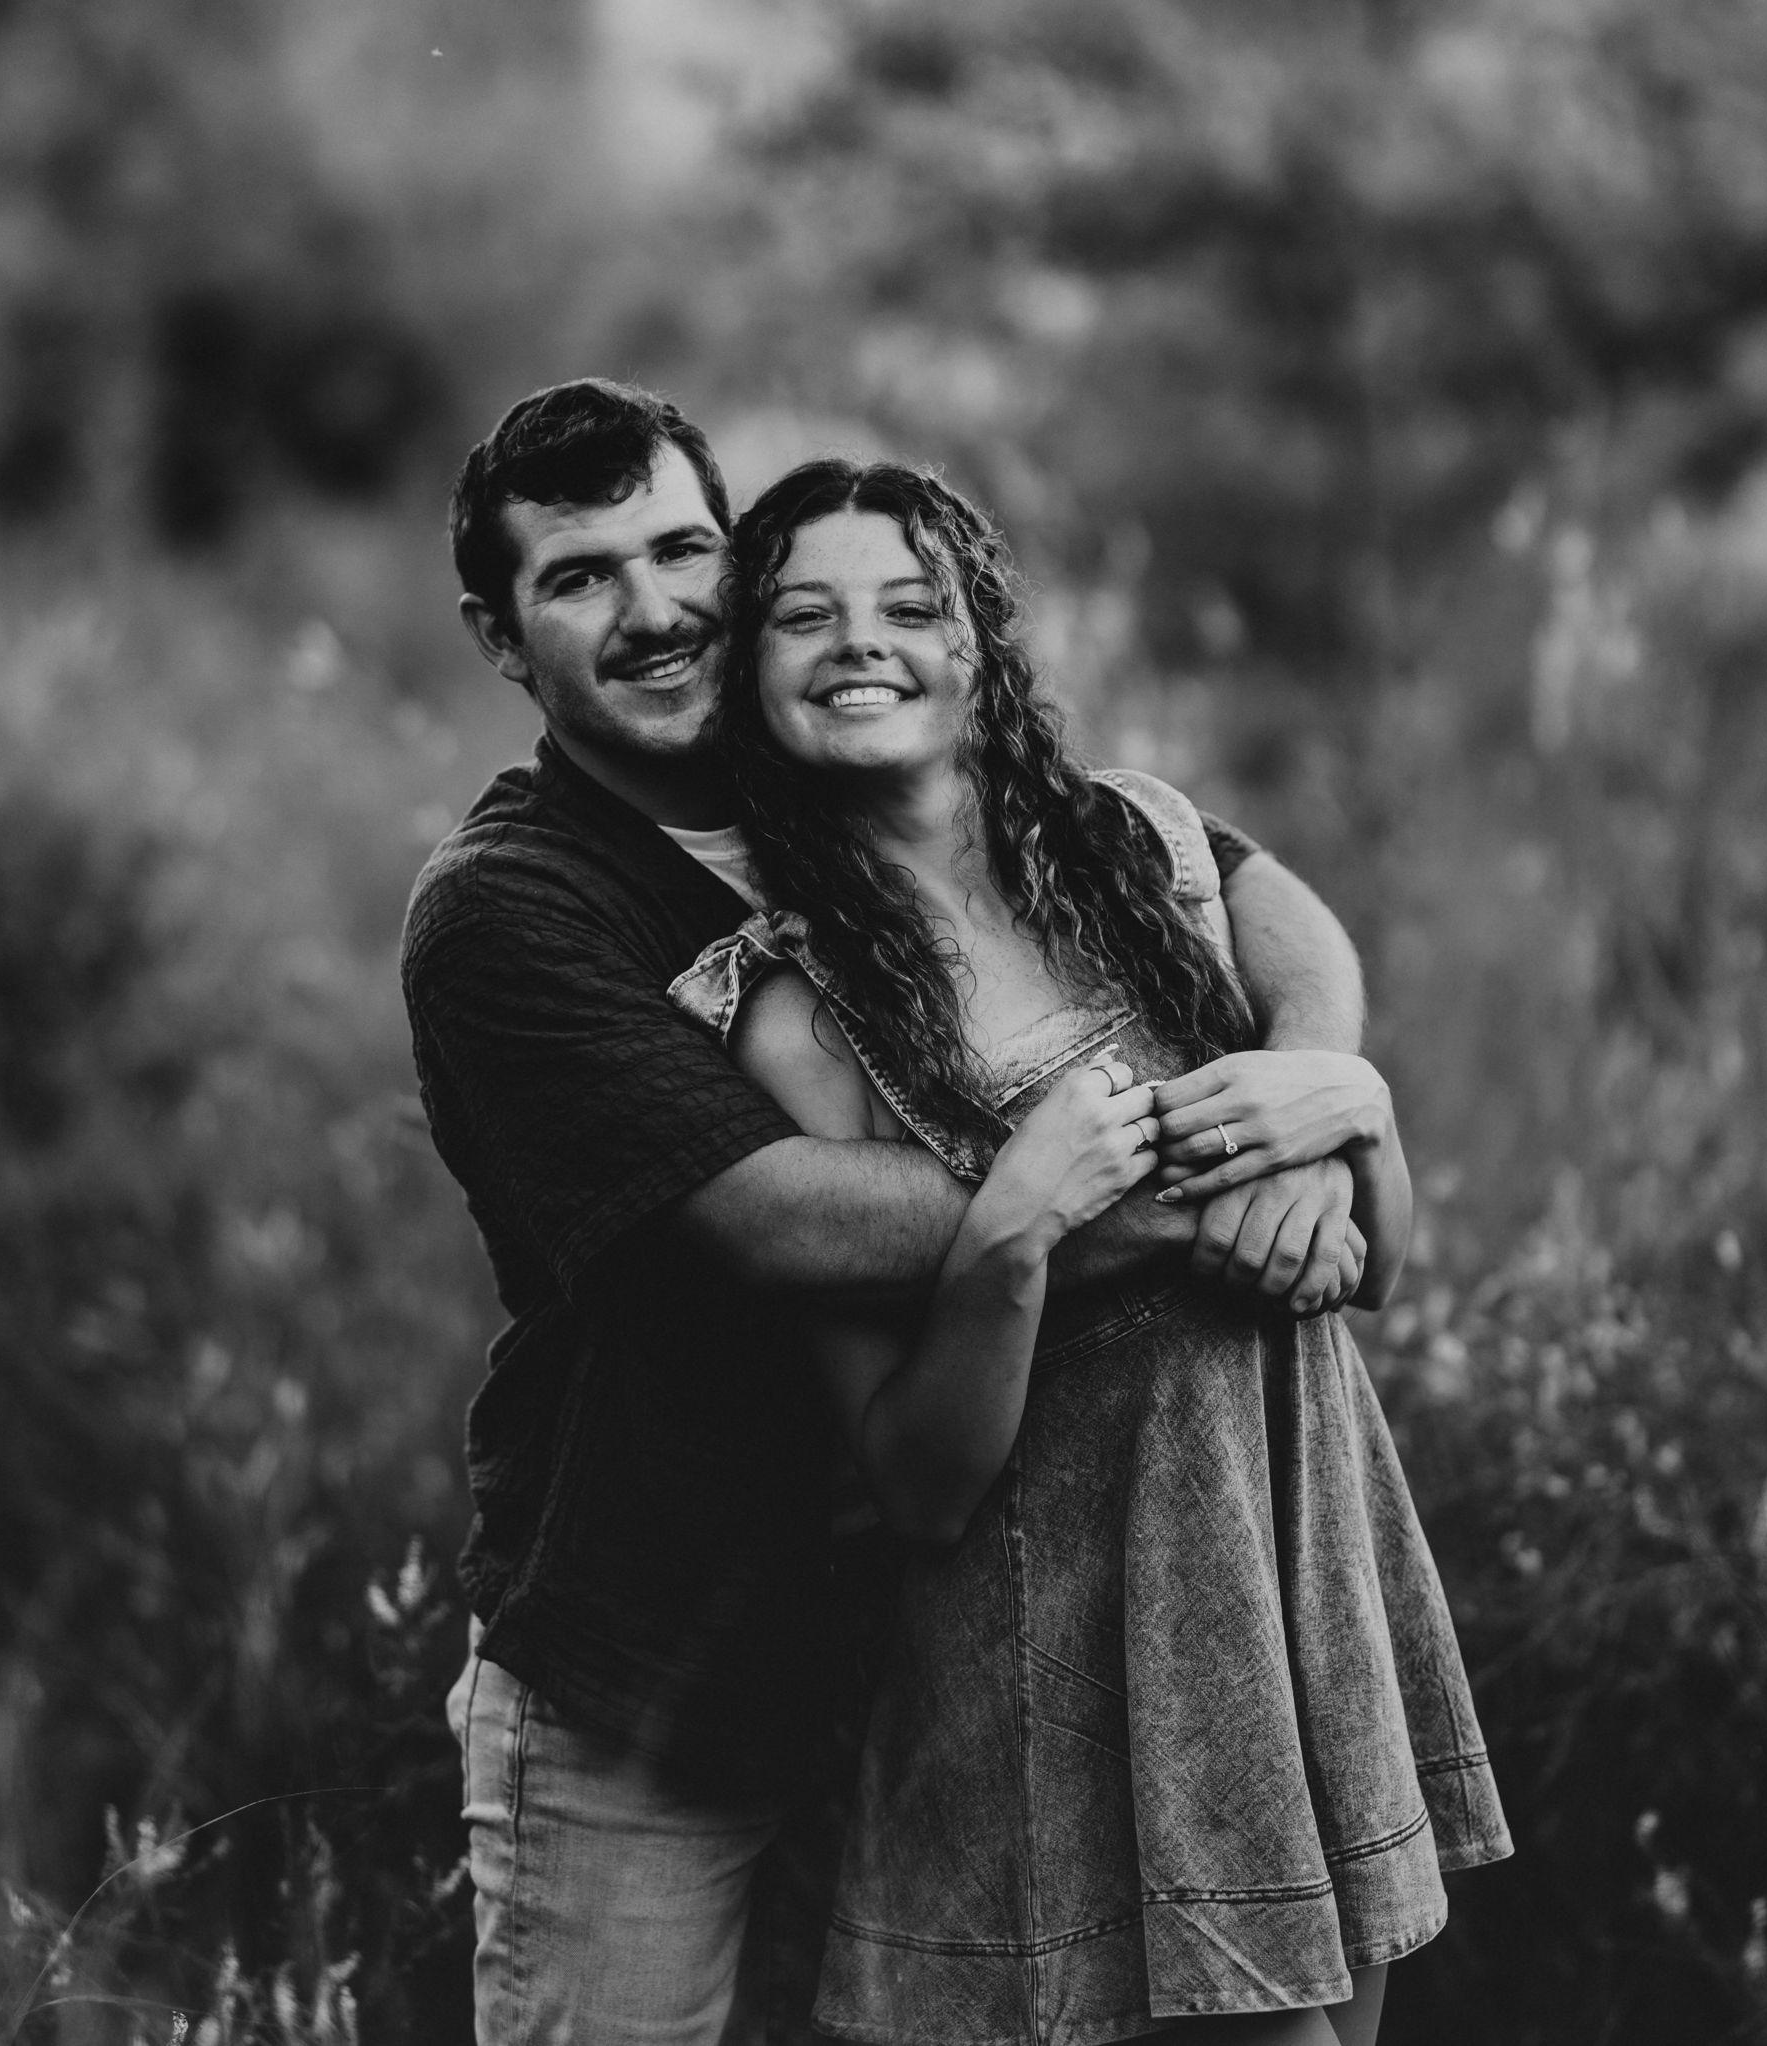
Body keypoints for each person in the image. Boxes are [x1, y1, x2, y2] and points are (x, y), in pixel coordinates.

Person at [402, 377, 1385, 2046]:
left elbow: (1239, 888)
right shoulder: (510, 909)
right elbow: (787, 1219)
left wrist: (1308, 1089)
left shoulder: (839, 755)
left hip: (944, 1631)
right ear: (502, 636)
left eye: (683, 549)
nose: (655, 609)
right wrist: (1200, 1188)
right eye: (580, 577)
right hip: (664, 1666)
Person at [670, 458, 1512, 2045]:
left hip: (1298, 1558)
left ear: (979, 642)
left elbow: (1376, 1269)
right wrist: (1012, 1230)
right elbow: (916, 1481)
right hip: (1077, 1648)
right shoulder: (795, 1011)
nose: (863, 642)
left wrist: (1349, 1109)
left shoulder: (1145, 849)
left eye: (911, 604)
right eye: (805, 615)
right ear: (752, 671)